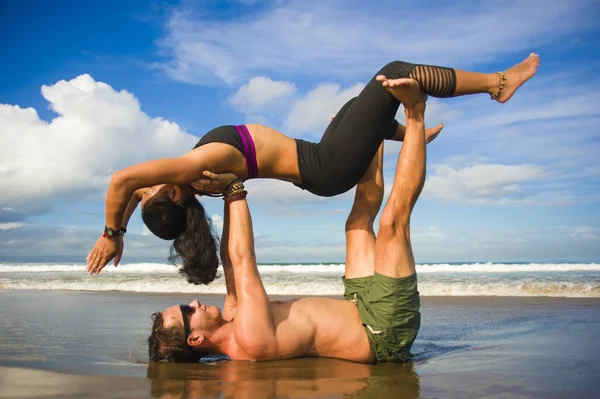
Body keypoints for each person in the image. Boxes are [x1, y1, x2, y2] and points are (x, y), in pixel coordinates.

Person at [87, 54, 540, 286]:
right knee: (393, 72)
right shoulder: (196, 166)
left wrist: (122, 230)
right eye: (150, 195)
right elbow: (120, 182)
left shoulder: (186, 183)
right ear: (172, 196)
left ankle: (401, 131)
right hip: (327, 168)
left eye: (143, 196)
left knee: (352, 107)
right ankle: (497, 85)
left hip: (320, 160)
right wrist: (110, 234)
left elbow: (130, 192)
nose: (144, 189)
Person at [147, 77, 433, 364]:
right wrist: (234, 189)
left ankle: (373, 132)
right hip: (383, 330)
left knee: (357, 223)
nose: (195, 302)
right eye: (188, 311)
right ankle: (415, 111)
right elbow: (244, 257)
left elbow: (232, 263)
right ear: (195, 339)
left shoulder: (234, 317)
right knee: (392, 224)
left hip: (359, 304)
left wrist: (224, 193)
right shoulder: (249, 339)